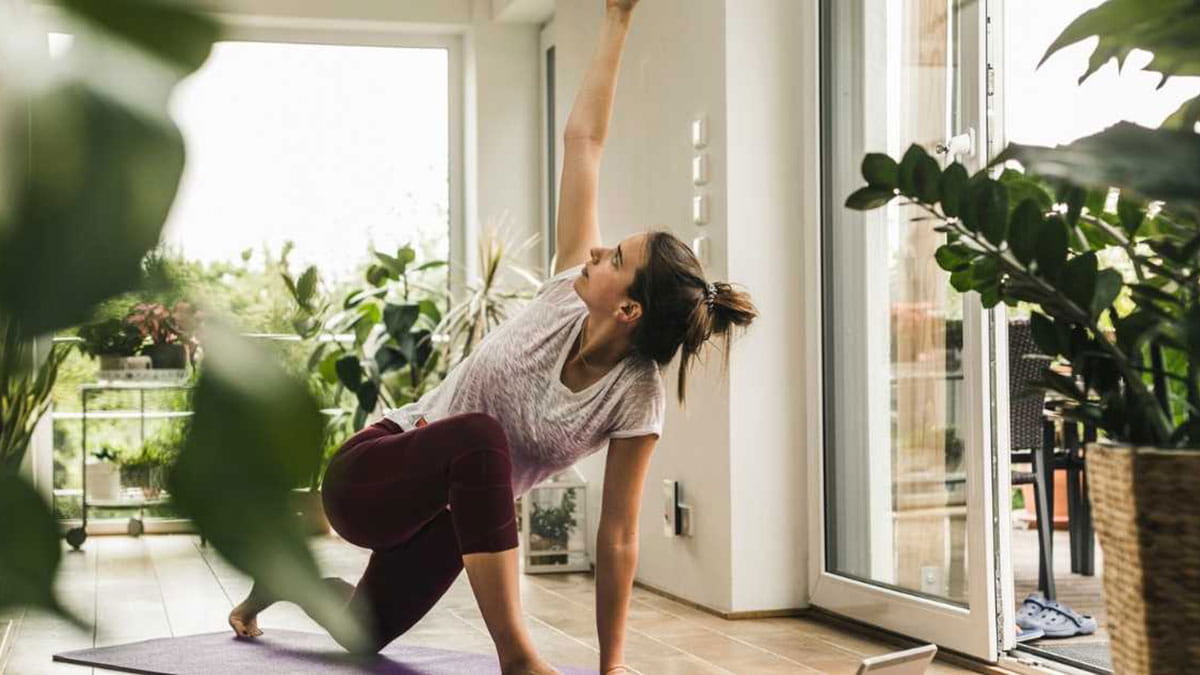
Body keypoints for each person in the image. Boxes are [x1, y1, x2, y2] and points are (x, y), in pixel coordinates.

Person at [228, 0, 757, 672]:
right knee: (483, 439)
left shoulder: (636, 397)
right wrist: (617, 21)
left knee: (360, 632)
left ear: (628, 312)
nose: (595, 253)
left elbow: (620, 535)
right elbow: (584, 142)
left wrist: (612, 666)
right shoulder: (565, 291)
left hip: (453, 519)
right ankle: (518, 655)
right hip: (372, 474)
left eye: (614, 260)